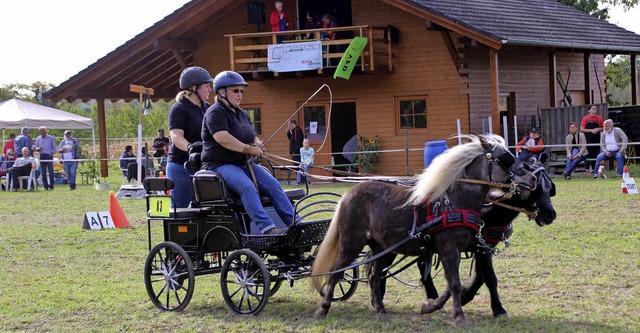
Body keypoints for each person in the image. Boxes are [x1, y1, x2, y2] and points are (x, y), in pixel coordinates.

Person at [201, 70, 296, 235]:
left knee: (273, 185)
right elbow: (222, 138)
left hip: (243, 164)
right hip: (219, 165)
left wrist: (258, 144)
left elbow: (251, 135)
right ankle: (267, 229)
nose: (240, 95)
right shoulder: (215, 112)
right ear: (222, 92)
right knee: (247, 187)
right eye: (235, 90)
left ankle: (296, 224)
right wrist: (248, 149)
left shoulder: (242, 114)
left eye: (242, 91)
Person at [167, 66, 214, 208]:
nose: (210, 90)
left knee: (203, 207)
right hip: (180, 166)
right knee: (179, 208)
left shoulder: (209, 108)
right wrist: (190, 148)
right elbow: (175, 135)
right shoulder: (179, 108)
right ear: (194, 88)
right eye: (207, 86)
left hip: (202, 166)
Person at [580, 105, 604, 174]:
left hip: (597, 138)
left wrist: (598, 129)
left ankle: (594, 169)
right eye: (593, 108)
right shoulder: (586, 118)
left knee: (596, 153)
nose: (594, 110)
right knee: (588, 153)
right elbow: (582, 129)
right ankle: (587, 170)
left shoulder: (599, 118)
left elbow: (603, 127)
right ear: (589, 110)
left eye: (595, 109)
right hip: (588, 138)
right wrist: (591, 130)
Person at [35, 126, 57, 190]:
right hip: (42, 156)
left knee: (51, 172)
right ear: (40, 132)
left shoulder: (50, 138)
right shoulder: (38, 139)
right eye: (42, 131)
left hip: (49, 156)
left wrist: (51, 153)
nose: (43, 132)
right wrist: (38, 149)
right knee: (43, 172)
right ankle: (45, 186)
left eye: (44, 131)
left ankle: (51, 186)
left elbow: (54, 148)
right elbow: (36, 148)